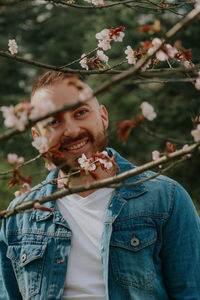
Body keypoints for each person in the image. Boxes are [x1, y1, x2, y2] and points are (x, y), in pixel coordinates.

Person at [0, 71, 200, 300]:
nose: (72, 130)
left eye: (81, 113)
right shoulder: (19, 216)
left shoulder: (167, 200)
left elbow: (191, 293)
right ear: (37, 138)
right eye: (53, 121)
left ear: (103, 117)